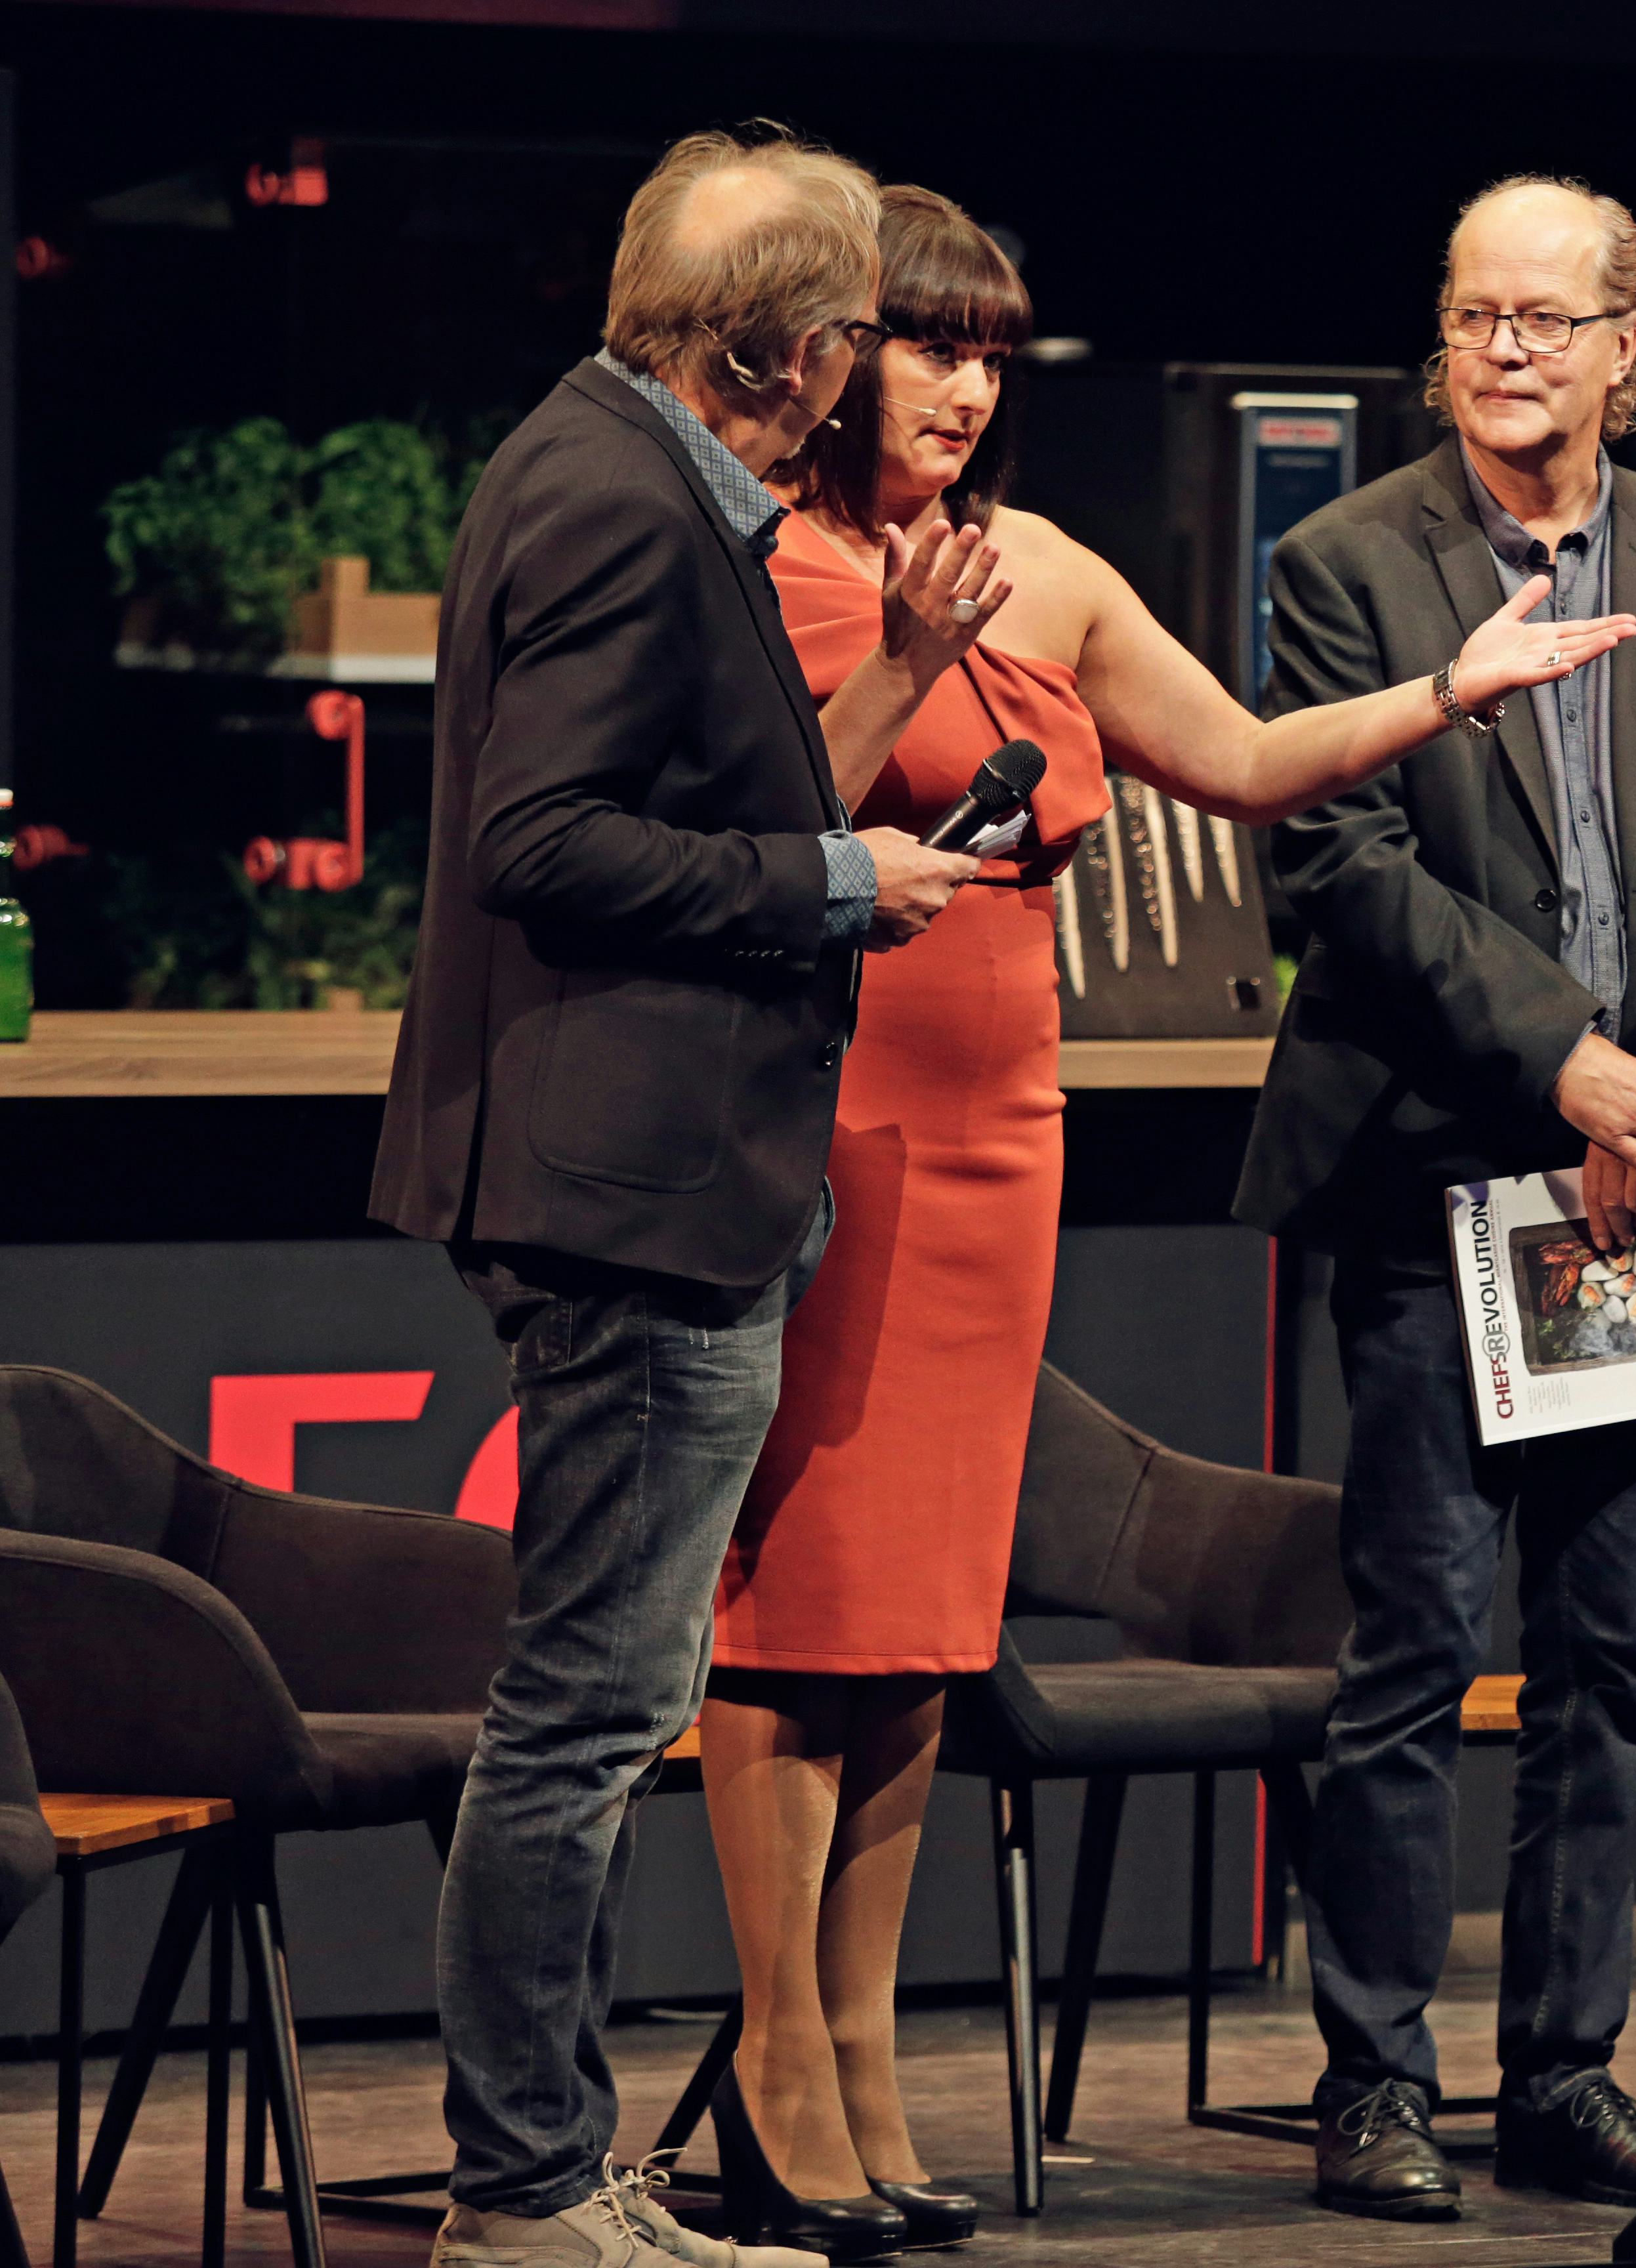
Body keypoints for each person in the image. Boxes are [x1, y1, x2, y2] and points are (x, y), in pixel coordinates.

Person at [680, 186, 1636, 2258]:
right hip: (823, 1123)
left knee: (924, 1622)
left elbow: (1256, 762)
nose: (962, 387)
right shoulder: (756, 556)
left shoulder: (1044, 566)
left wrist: (1446, 693)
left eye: (989, 352)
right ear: (834, 353)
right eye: (927, 344)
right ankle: (773, 2065)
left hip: (998, 1138)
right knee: (801, 1608)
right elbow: (745, 838)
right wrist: (909, 658)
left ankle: (865, 2057)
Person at [371, 129, 980, 2268]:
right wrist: (836, 880)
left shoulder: (621, 465)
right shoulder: (621, 498)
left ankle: (547, 2169)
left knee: (596, 1705)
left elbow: (659, 787)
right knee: (588, 1714)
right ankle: (527, 2185)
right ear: (795, 356)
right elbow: (543, 839)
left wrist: (873, 722)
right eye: (860, 339)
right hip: (631, 1195)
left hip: (643, 1180)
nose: (865, 374)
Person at [1233, 175, 1636, 2220]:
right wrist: (1563, 1059)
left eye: (1545, 319)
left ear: (1628, 344)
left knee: (1609, 1657)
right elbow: (1343, 870)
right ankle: (1373, 2082)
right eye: (1475, 312)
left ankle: (1564, 2074)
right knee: (1416, 1650)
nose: (1502, 349)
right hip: (1438, 1177)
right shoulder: (1343, 563)